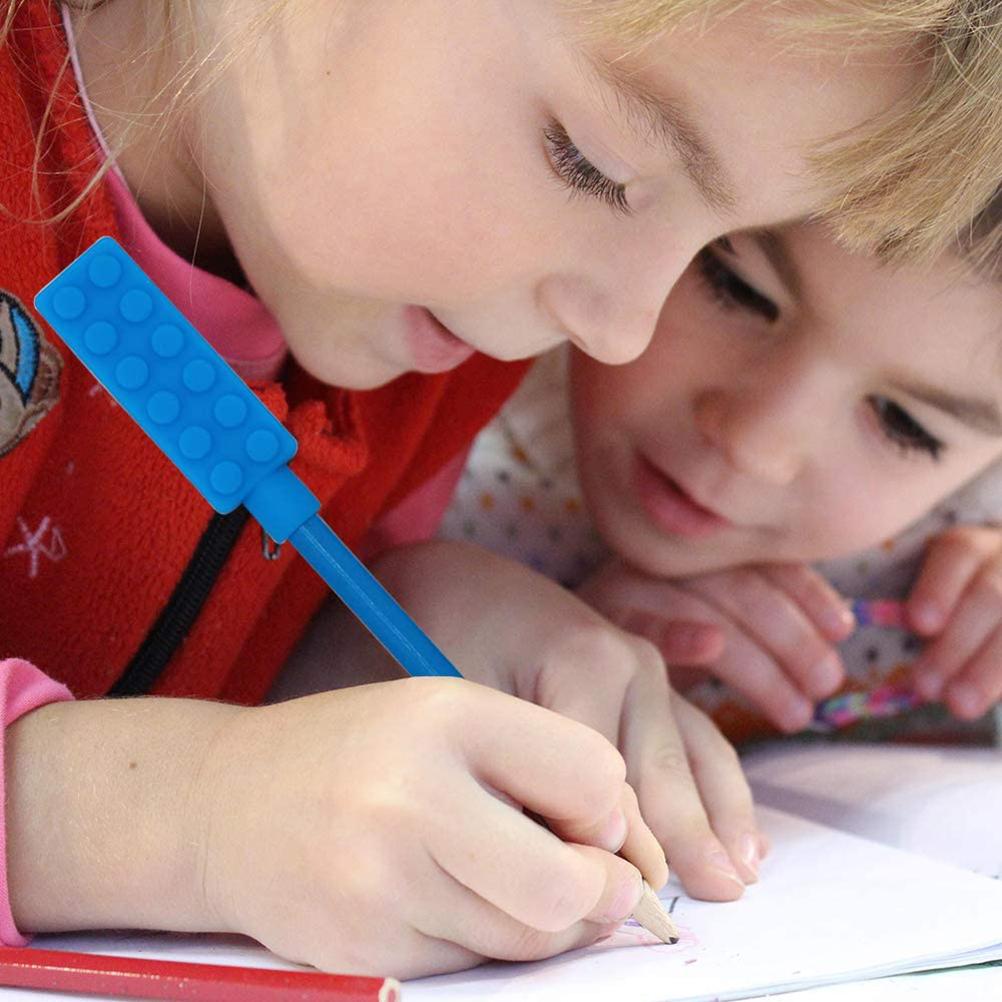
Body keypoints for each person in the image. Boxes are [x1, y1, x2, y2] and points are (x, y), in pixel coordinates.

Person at [1, 0, 1000, 980]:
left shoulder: (435, 336)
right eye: (593, 165)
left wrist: (366, 642)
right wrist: (199, 817)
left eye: (708, 249)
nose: (620, 333)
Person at [437, 216, 1002, 749]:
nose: (753, 447)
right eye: (737, 288)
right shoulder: (438, 403)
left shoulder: (969, 526)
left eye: (904, 425)